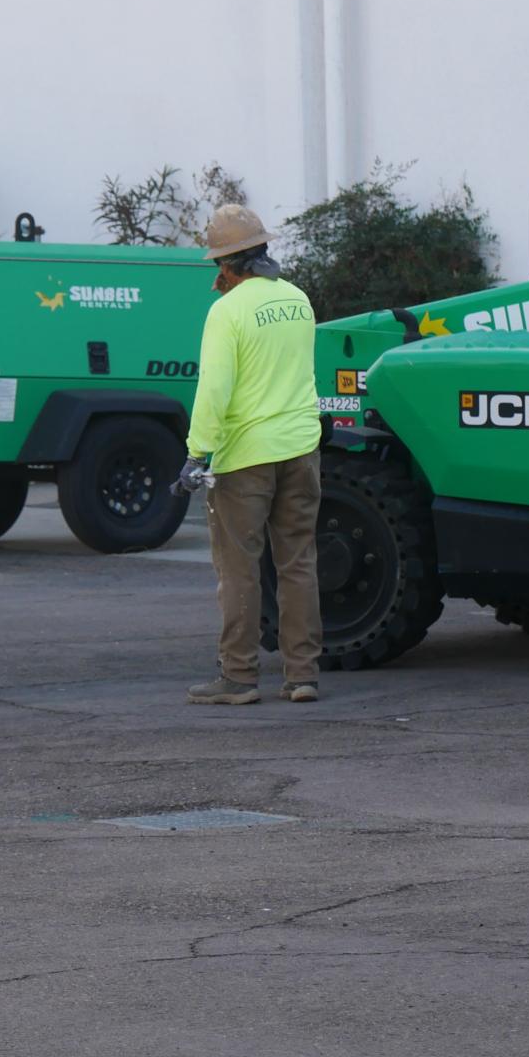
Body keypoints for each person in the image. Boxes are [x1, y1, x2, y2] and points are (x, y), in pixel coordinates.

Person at [174, 205, 324, 705]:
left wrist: (197, 455)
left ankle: (238, 677)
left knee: (239, 568)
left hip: (246, 460)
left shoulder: (227, 311)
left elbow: (213, 391)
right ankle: (302, 675)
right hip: (301, 449)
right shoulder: (298, 299)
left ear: (227, 264)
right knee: (298, 562)